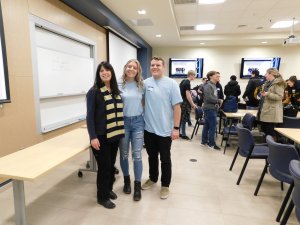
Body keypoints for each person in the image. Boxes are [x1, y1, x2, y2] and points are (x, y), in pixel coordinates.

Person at [142, 56, 182, 199]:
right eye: (152, 65)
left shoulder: (171, 84)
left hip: (165, 130)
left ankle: (165, 185)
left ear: (163, 66)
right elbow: (141, 102)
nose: (155, 67)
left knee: (165, 159)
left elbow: (177, 107)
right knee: (151, 157)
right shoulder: (145, 83)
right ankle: (153, 179)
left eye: (158, 65)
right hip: (149, 129)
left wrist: (176, 128)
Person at [86, 61, 125, 209]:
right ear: (98, 74)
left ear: (112, 73)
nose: (105, 73)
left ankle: (108, 190)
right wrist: (93, 137)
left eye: (107, 70)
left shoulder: (115, 91)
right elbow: (90, 117)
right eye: (101, 71)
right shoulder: (94, 91)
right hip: (100, 136)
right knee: (104, 167)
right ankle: (102, 197)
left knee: (110, 166)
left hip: (114, 134)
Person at [118, 59, 144, 201]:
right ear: (125, 68)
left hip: (138, 122)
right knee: (123, 154)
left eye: (134, 67)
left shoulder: (142, 85)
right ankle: (127, 181)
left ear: (137, 70)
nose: (131, 69)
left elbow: (145, 102)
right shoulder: (118, 84)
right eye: (129, 66)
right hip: (123, 123)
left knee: (137, 155)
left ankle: (137, 185)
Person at [257, 68, 286, 137]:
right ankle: (266, 146)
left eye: (266, 73)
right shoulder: (267, 83)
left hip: (271, 112)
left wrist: (267, 94)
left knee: (270, 132)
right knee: (265, 130)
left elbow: (280, 97)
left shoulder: (278, 83)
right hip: (265, 110)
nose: (265, 75)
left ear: (271, 74)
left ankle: (271, 147)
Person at [201, 70, 222, 150]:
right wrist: (218, 101)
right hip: (209, 108)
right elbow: (208, 98)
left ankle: (204, 141)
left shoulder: (213, 85)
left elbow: (212, 96)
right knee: (213, 126)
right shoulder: (208, 85)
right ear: (211, 77)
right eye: (217, 76)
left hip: (211, 108)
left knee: (207, 125)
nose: (218, 77)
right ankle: (211, 144)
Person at [179, 70, 197, 140]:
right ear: (191, 75)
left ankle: (180, 132)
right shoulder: (187, 82)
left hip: (181, 101)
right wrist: (192, 104)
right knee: (184, 118)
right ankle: (183, 134)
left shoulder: (183, 81)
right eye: (194, 75)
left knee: (181, 118)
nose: (195, 77)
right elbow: (188, 95)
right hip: (185, 103)